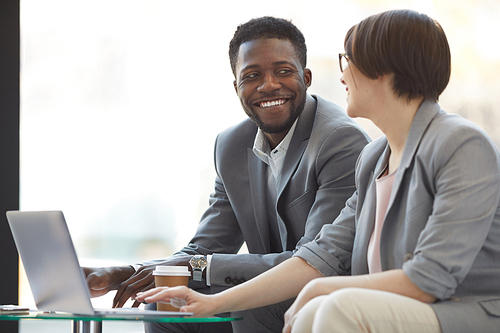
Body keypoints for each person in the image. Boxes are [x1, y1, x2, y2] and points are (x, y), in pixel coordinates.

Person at [136, 9, 500, 333]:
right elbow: (320, 256)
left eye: (349, 59)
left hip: (462, 311)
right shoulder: (375, 158)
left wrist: (322, 288)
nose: (342, 75)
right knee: (320, 307)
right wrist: (212, 303)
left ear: (386, 70)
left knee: (333, 306)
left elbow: (429, 278)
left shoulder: (461, 144)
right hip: (385, 308)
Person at [85, 16, 370, 333]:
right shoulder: (231, 145)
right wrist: (125, 273)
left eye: (283, 71)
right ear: (237, 87)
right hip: (266, 301)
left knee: (245, 303)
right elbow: (205, 248)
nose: (269, 84)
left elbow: (315, 261)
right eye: (252, 75)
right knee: (164, 304)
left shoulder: (340, 140)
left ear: (306, 77)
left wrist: (196, 267)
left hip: (324, 299)